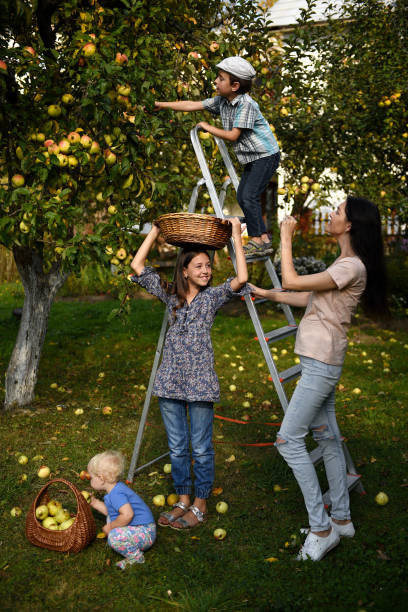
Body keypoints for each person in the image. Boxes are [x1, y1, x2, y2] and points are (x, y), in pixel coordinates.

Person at [250, 195, 387, 561]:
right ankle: (341, 519)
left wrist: (286, 234)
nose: (332, 214)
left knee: (287, 440)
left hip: (321, 363)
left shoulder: (351, 267)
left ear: (351, 225)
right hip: (321, 360)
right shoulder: (344, 263)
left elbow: (293, 278)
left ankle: (321, 528)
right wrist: (265, 292)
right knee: (326, 439)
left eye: (338, 212)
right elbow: (310, 297)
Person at [130, 217, 248, 529]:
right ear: (184, 271)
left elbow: (242, 277)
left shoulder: (212, 297)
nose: (206, 271)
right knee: (178, 445)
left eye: (208, 266)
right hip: (170, 380)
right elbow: (137, 263)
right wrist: (155, 230)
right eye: (198, 266)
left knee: (201, 447)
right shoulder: (171, 295)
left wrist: (236, 235)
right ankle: (183, 498)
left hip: (200, 384)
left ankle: (200, 502)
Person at [155, 56, 280, 258]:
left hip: (266, 156)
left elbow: (233, 136)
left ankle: (258, 240)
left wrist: (207, 127)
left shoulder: (246, 104)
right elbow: (192, 105)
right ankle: (263, 238)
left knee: (248, 196)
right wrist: (161, 104)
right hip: (252, 158)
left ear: (235, 85)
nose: (215, 81)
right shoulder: (222, 101)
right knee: (243, 196)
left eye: (221, 78)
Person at [87, 450, 156, 570]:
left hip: (145, 532)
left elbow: (128, 515)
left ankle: (136, 558)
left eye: (92, 477)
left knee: (114, 537)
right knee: (112, 518)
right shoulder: (115, 490)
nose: (90, 480)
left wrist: (111, 526)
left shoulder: (116, 495)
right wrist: (95, 503)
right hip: (142, 529)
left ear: (101, 478)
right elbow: (112, 512)